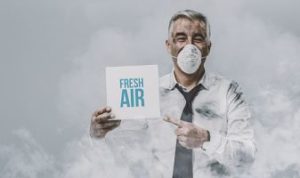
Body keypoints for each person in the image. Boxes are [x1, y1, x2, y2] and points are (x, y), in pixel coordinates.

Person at [90, 9, 256, 177]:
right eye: (181, 38)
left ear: (208, 47)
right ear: (168, 46)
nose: (189, 46)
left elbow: (247, 156)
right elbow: (120, 154)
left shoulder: (229, 92)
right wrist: (99, 134)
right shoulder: (148, 91)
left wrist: (207, 139)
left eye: (198, 38)